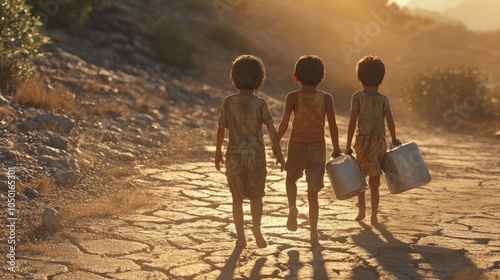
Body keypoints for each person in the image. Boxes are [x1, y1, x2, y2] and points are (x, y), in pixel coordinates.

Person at [215, 55, 285, 248]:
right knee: (256, 196)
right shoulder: (261, 103)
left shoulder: (229, 102)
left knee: (236, 198)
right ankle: (256, 226)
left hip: (234, 155)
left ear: (233, 78)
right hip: (256, 155)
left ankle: (241, 238)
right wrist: (279, 153)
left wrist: (217, 152)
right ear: (260, 79)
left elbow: (221, 128)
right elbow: (271, 128)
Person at [275, 55, 342, 240]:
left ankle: (292, 207)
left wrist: (275, 141)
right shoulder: (326, 98)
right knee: (313, 191)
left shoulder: (293, 97)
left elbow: (284, 123)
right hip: (318, 148)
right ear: (322, 77)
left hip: (296, 145)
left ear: (296, 77)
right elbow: (333, 126)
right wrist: (336, 148)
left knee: (291, 179)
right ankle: (313, 231)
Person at [345, 55, 401, 225]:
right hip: (379, 143)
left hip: (362, 142)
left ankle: (361, 210)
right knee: (375, 182)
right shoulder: (384, 99)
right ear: (381, 78)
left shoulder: (357, 97)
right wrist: (394, 138)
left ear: (358, 77)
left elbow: (352, 122)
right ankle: (374, 216)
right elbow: (390, 120)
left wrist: (347, 146)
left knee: (361, 178)